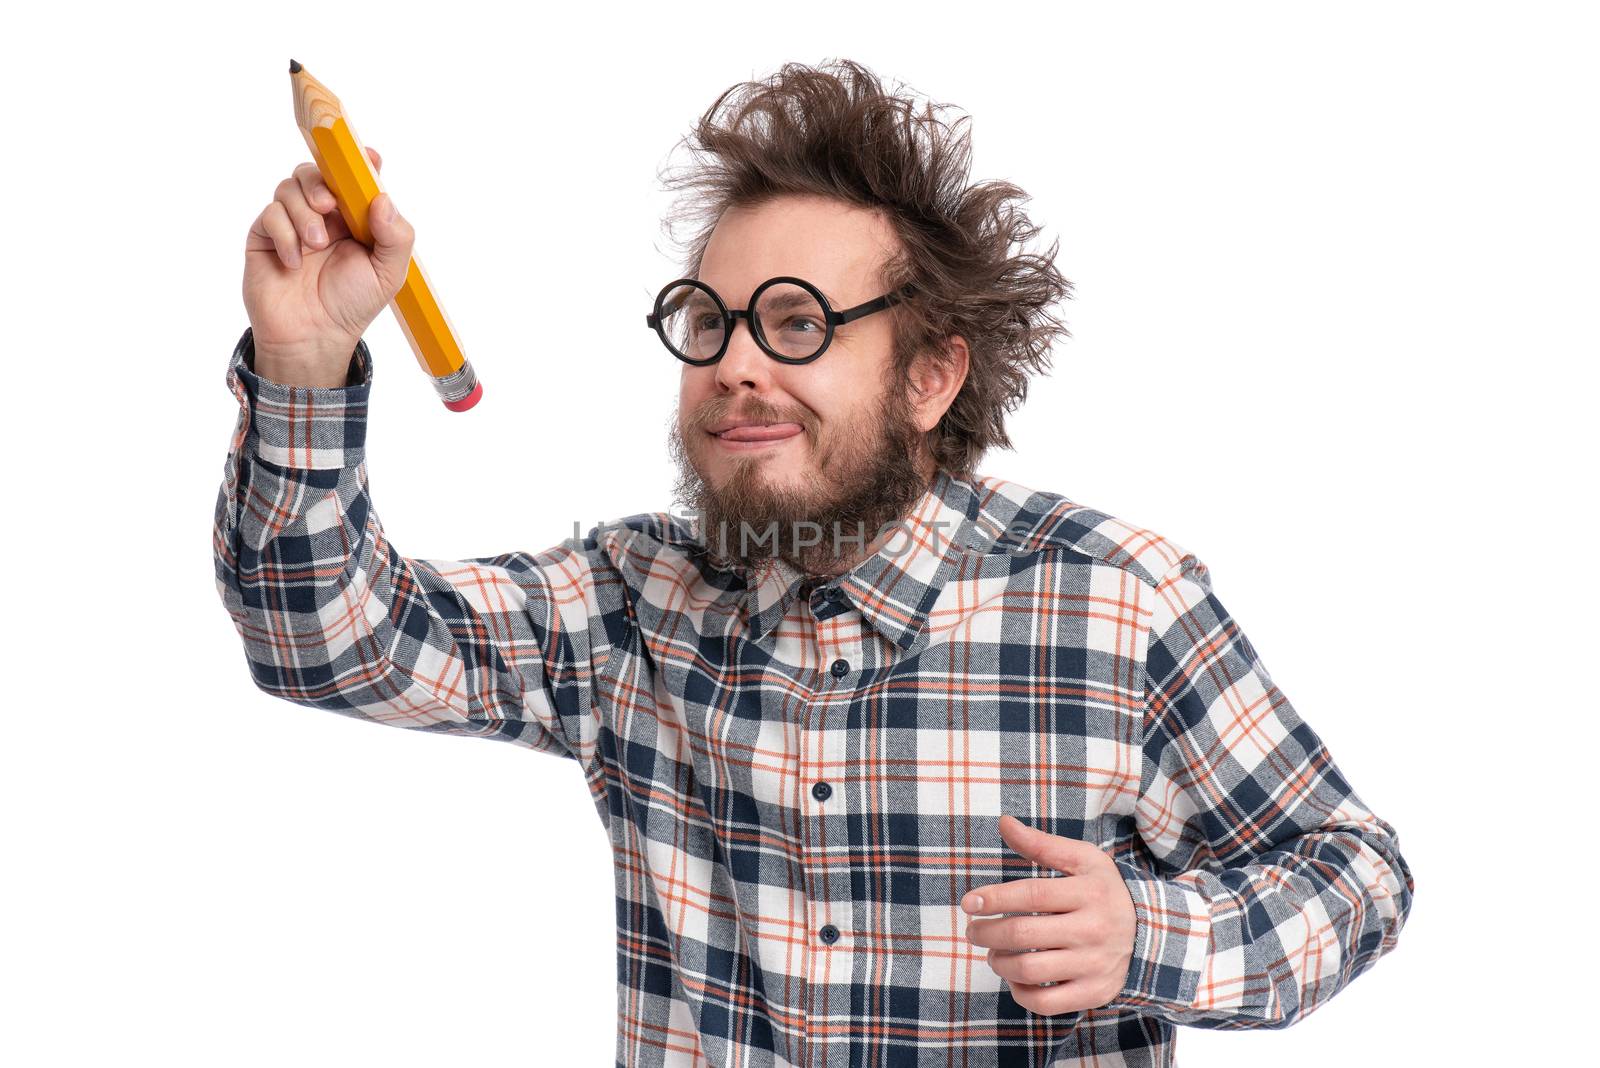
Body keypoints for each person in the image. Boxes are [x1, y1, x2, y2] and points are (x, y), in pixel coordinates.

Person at [215, 59, 1414, 1068]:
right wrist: (303, 363)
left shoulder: (1112, 600)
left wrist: (1148, 938)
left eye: (796, 323)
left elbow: (1355, 877)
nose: (736, 364)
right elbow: (325, 638)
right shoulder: (631, 606)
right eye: (708, 320)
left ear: (931, 376)